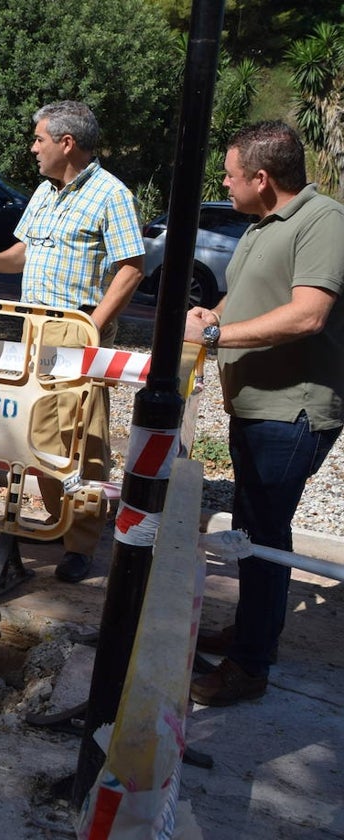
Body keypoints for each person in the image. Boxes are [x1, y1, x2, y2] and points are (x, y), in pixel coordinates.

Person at [184, 122, 344, 706]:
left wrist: (219, 333)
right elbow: (243, 297)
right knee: (252, 530)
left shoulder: (323, 221)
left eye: (229, 174)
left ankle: (250, 667)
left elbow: (308, 316)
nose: (223, 182)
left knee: (266, 535)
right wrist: (210, 317)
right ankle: (251, 634)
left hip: (291, 411)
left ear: (261, 177)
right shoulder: (261, 226)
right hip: (258, 407)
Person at [0, 101, 145, 582]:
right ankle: (59, 519)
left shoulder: (112, 195)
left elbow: (132, 267)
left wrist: (92, 325)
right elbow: (26, 249)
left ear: (66, 143)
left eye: (39, 139)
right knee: (38, 433)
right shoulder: (47, 191)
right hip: (34, 328)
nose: (33, 148)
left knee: (80, 440)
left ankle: (80, 542)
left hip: (75, 329)